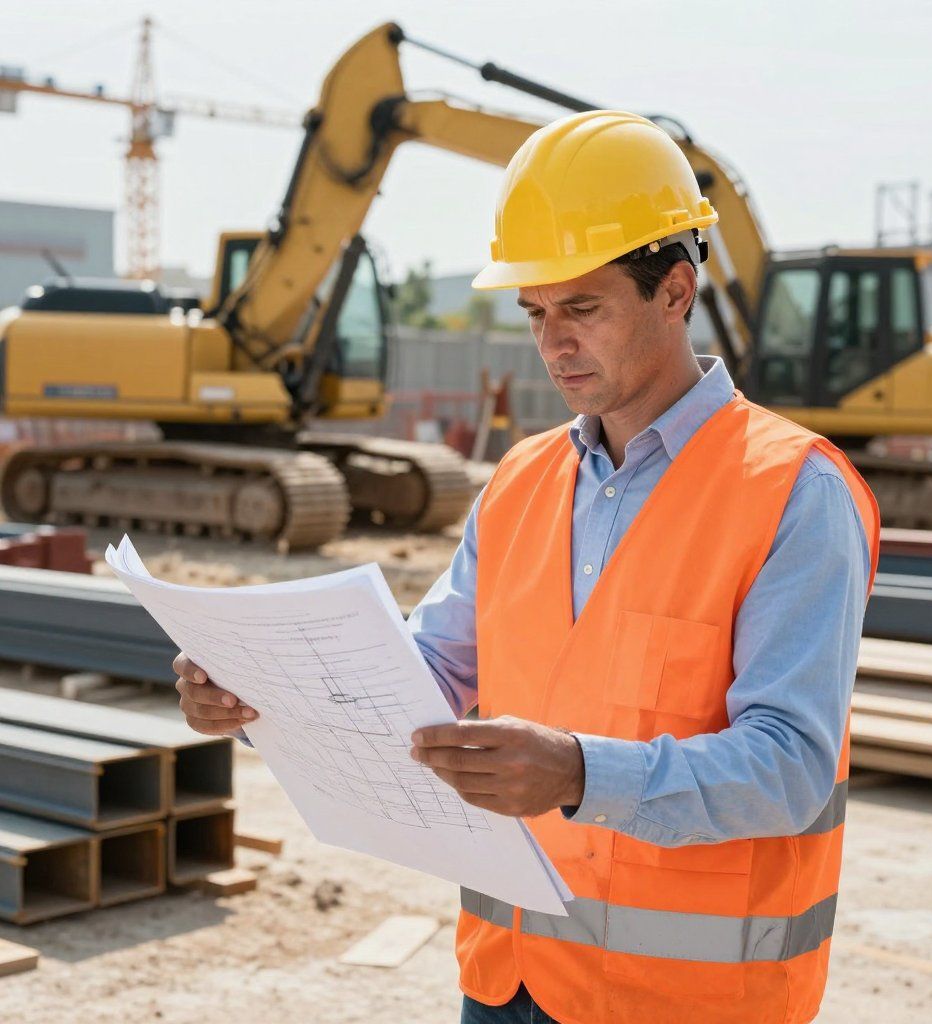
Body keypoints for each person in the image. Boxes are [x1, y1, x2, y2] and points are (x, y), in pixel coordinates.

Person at [173, 110, 879, 1024]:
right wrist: (260, 697)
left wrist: (582, 774)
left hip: (690, 1000)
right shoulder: (519, 481)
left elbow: (790, 768)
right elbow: (419, 677)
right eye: (537, 312)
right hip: (510, 981)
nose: (553, 343)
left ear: (675, 290)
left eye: (582, 308)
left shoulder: (794, 491)